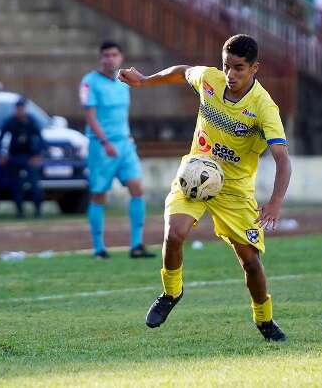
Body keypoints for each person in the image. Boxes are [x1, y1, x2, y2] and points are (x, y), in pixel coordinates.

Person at [118, 34, 292, 342]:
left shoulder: (264, 107)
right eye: (227, 66)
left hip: (235, 190)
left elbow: (282, 159)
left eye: (239, 68)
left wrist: (276, 202)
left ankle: (264, 319)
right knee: (174, 234)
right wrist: (144, 81)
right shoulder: (209, 79)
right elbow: (182, 70)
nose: (231, 74)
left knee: (250, 262)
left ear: (255, 68)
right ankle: (171, 293)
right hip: (196, 175)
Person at [80, 40, 155, 260]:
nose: (110, 59)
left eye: (114, 55)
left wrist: (127, 137)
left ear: (120, 57)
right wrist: (105, 142)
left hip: (125, 144)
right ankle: (98, 248)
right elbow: (90, 117)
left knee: (137, 189)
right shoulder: (89, 82)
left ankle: (136, 245)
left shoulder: (123, 81)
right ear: (100, 58)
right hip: (101, 146)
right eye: (106, 55)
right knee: (99, 194)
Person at [0, 97, 44, 219]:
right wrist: (2, 154)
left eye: (22, 108)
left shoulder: (31, 121)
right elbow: (1, 139)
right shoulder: (10, 122)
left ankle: (38, 211)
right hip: (14, 157)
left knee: (34, 184)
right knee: (16, 186)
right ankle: (19, 211)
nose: (20, 110)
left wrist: (37, 155)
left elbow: (41, 139)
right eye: (18, 108)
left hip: (29, 157)